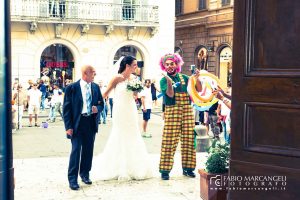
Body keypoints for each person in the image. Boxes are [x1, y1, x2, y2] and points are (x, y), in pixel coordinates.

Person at [92, 56, 152, 181]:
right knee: (119, 133)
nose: (136, 67)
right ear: (127, 66)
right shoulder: (117, 78)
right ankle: (118, 166)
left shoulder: (134, 79)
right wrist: (94, 104)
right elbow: (105, 93)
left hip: (131, 109)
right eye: (134, 65)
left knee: (133, 133)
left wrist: (136, 90)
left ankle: (134, 165)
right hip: (120, 109)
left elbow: (135, 96)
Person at [159, 53, 202, 180]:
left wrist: (197, 78)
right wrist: (168, 81)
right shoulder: (163, 80)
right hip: (172, 112)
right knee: (169, 141)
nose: (169, 66)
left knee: (189, 140)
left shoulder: (185, 77)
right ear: (164, 66)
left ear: (176, 64)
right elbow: (170, 95)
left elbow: (198, 89)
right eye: (167, 64)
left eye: (171, 63)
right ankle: (165, 171)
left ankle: (188, 169)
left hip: (188, 112)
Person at [63, 65, 104, 190]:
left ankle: (85, 174)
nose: (95, 75)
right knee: (76, 151)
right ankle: (72, 179)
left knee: (88, 150)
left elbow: (101, 103)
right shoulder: (72, 88)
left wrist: (98, 108)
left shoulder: (96, 87)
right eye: (93, 73)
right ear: (86, 73)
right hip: (77, 124)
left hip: (90, 123)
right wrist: (68, 127)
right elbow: (66, 109)